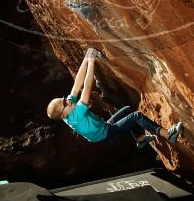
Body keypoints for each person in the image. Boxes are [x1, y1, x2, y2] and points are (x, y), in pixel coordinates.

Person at [47, 48, 183, 147]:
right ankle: (168, 135)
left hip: (103, 129)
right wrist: (92, 62)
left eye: (64, 99)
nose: (67, 100)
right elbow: (87, 87)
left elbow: (77, 86)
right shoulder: (77, 116)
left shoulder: (67, 110)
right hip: (106, 134)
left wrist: (86, 58)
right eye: (64, 102)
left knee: (128, 109)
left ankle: (140, 139)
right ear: (63, 114)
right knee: (136, 116)